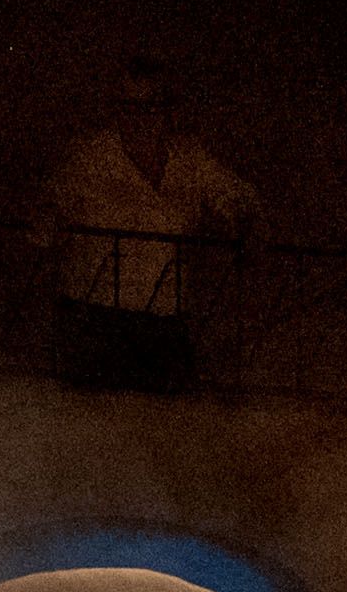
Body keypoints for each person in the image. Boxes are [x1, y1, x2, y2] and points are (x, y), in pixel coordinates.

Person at [44, 55, 259, 391]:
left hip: (164, 324)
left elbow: (235, 196)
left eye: (150, 105)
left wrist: (242, 222)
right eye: (129, 105)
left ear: (168, 110)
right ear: (116, 108)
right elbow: (48, 211)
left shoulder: (190, 160)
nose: (139, 117)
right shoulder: (90, 158)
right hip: (97, 322)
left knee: (166, 427)